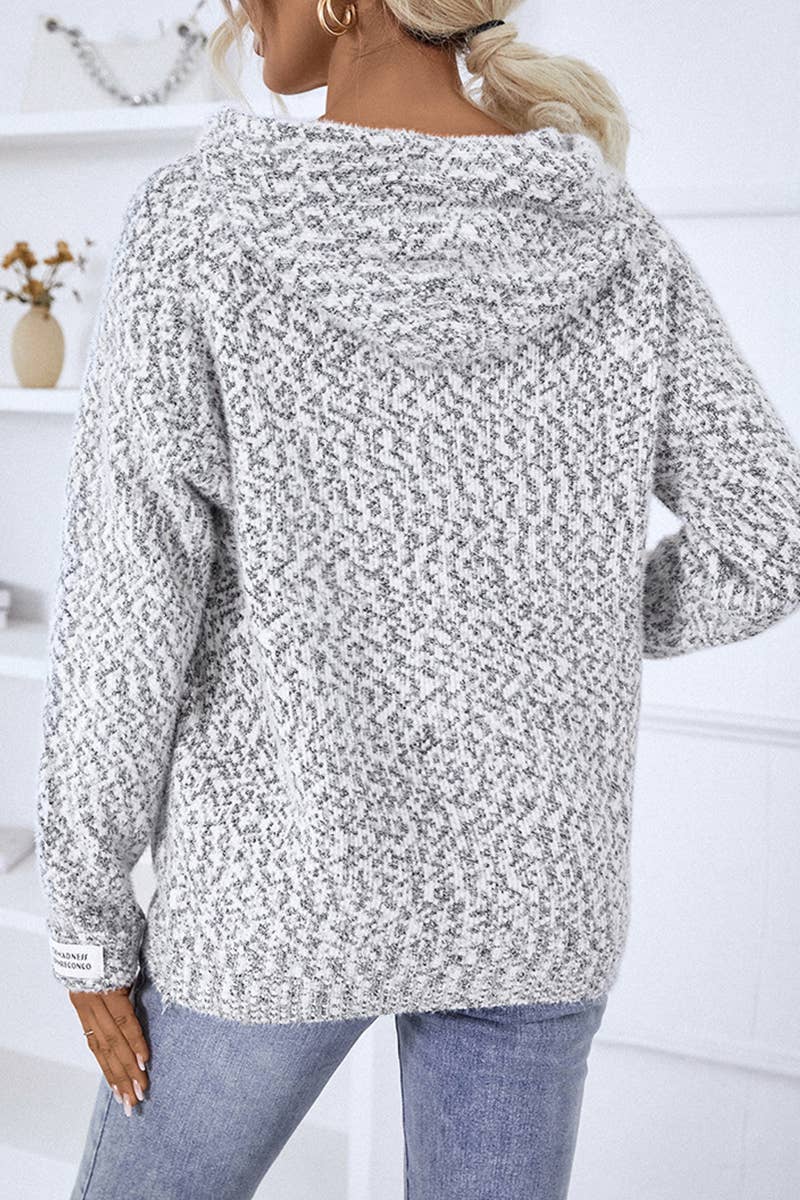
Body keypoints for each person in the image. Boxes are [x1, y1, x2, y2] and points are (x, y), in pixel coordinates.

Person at [34, 1, 800, 1198]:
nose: (236, 9)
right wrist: (565, 619)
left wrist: (88, 917)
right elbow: (766, 538)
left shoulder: (205, 225)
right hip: (530, 902)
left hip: (275, 896)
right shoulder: (609, 235)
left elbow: (130, 609)